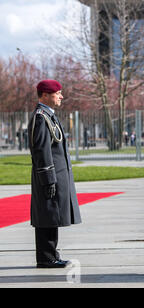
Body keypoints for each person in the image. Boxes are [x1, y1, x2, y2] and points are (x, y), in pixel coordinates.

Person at [27, 80, 81, 268]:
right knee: (47, 216)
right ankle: (46, 258)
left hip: (56, 175)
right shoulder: (41, 117)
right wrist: (48, 180)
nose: (61, 96)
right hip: (49, 177)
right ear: (44, 95)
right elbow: (41, 151)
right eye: (57, 93)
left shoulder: (48, 115)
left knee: (52, 216)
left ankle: (51, 254)